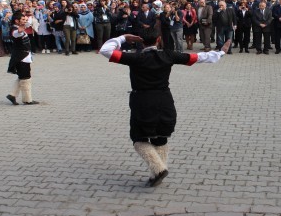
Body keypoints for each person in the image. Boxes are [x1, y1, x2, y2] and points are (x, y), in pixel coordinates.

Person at [99, 27, 231, 187]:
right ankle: (157, 172)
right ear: (158, 40)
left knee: (138, 139)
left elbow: (105, 50)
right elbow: (196, 57)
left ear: (140, 42)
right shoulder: (168, 55)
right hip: (164, 100)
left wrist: (123, 38)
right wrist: (220, 53)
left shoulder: (135, 58)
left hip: (142, 101)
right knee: (161, 137)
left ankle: (159, 170)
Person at [6, 12, 39, 105]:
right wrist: (20, 30)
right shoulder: (15, 29)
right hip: (21, 57)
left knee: (22, 77)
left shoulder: (19, 26)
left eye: (25, 19)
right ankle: (27, 99)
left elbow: (28, 24)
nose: (25, 21)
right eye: (23, 20)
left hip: (24, 56)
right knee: (26, 78)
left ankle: (12, 95)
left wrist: (27, 17)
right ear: (17, 21)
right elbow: (16, 34)